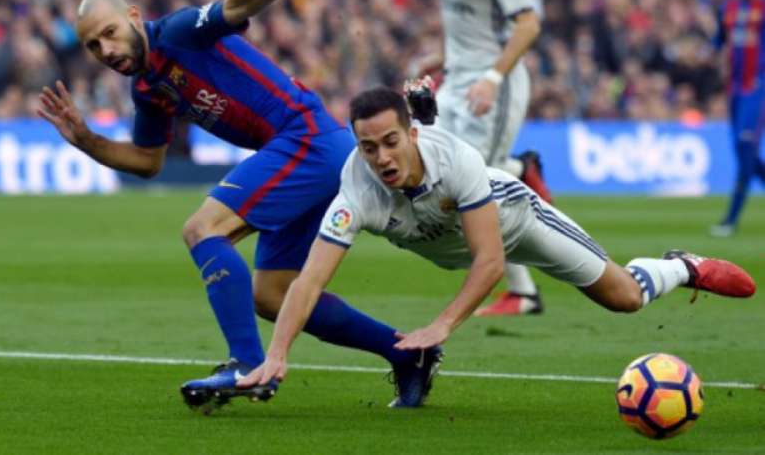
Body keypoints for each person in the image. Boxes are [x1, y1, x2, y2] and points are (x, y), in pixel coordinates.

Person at [37, 0, 438, 413]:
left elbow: (236, 4)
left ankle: (247, 364)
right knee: (271, 294)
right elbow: (147, 162)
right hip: (304, 150)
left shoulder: (177, 33)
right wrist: (86, 140)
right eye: (94, 45)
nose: (106, 49)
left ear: (134, 16)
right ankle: (408, 353)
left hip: (306, 138)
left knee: (203, 229)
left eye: (111, 33)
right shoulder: (147, 88)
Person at [239, 86, 756, 402]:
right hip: (453, 244)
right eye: (368, 147)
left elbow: (489, 262)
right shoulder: (357, 189)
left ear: (412, 134)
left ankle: (681, 267)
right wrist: (278, 354)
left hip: (518, 221)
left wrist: (441, 325)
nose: (381, 157)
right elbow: (309, 280)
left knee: (624, 298)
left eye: (391, 141)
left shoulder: (453, 159)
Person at [422, 0, 550, 315]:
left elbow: (527, 23)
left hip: (493, 83)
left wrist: (493, 78)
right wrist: (440, 57)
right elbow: (465, 18)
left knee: (475, 185)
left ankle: (524, 292)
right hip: (457, 79)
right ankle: (521, 167)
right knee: (450, 175)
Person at [709, 0, 765, 237]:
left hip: (758, 87)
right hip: (734, 90)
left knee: (745, 148)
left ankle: (730, 219)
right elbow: (719, 40)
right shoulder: (729, 6)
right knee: (742, 152)